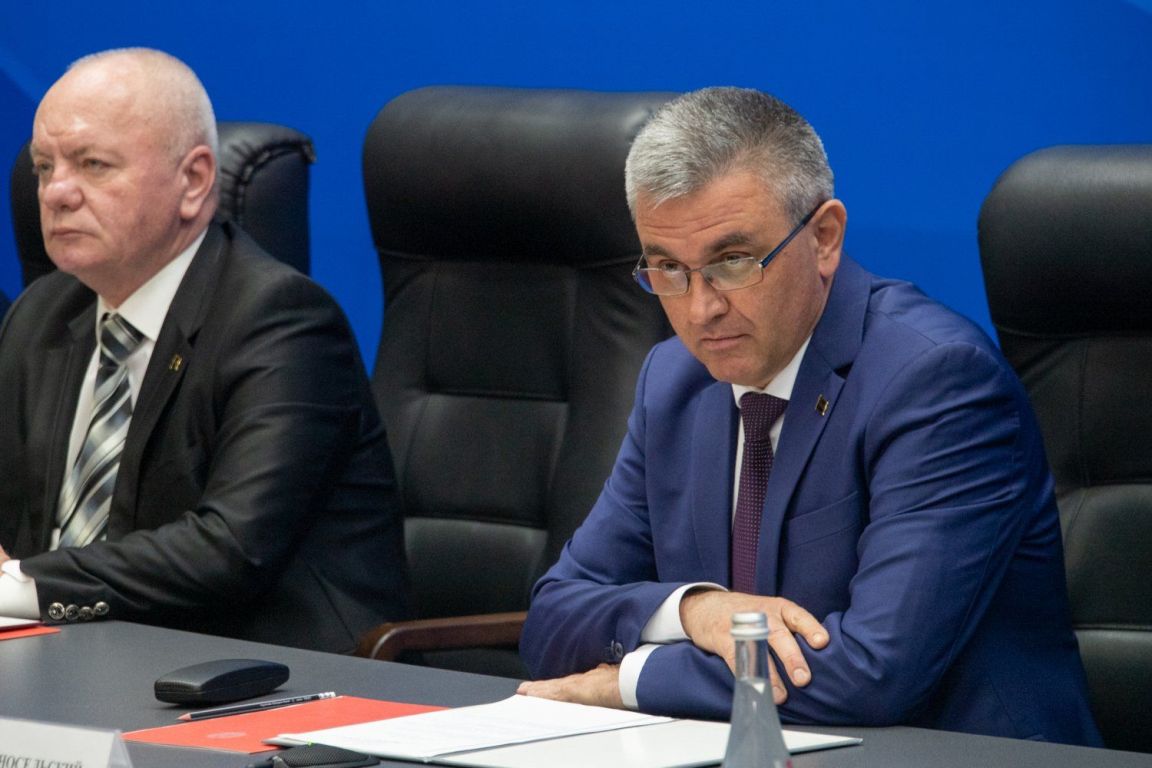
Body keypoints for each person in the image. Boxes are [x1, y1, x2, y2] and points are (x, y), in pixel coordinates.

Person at [518, 87, 1101, 746]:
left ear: (824, 238)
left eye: (733, 262)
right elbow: (554, 617)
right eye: (668, 268)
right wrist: (697, 610)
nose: (701, 309)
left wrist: (631, 679)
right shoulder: (674, 382)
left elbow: (872, 671)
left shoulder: (937, 382)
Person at [0, 48, 407, 653]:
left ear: (192, 181)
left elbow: (229, 550)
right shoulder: (43, 313)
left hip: (260, 671)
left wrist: (18, 585)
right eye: (42, 167)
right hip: (71, 656)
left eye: (92, 164)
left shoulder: (282, 322)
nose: (56, 192)